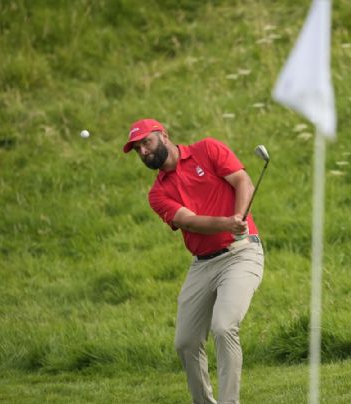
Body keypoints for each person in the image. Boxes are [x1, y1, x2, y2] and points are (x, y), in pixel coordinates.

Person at [123, 118, 264, 404]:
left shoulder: (207, 149)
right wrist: (227, 222)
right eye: (138, 150)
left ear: (163, 135)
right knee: (185, 343)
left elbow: (242, 181)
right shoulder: (158, 193)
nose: (144, 153)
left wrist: (238, 221)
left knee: (224, 327)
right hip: (202, 264)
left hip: (241, 254)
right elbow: (190, 221)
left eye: (146, 143)